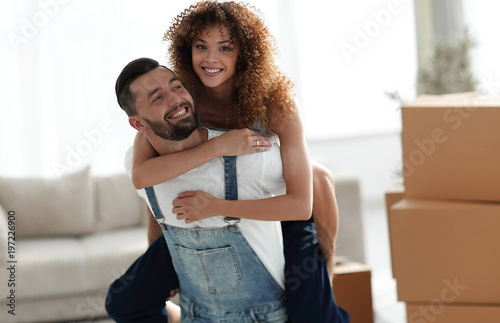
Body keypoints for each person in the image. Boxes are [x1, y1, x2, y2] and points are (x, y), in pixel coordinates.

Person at [106, 58, 349, 322]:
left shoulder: (251, 144)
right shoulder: (144, 156)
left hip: (285, 219)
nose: (175, 99)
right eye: (157, 98)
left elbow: (319, 178)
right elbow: (149, 190)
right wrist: (165, 268)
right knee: (121, 300)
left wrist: (328, 274)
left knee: (314, 314)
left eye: (177, 87)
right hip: (189, 250)